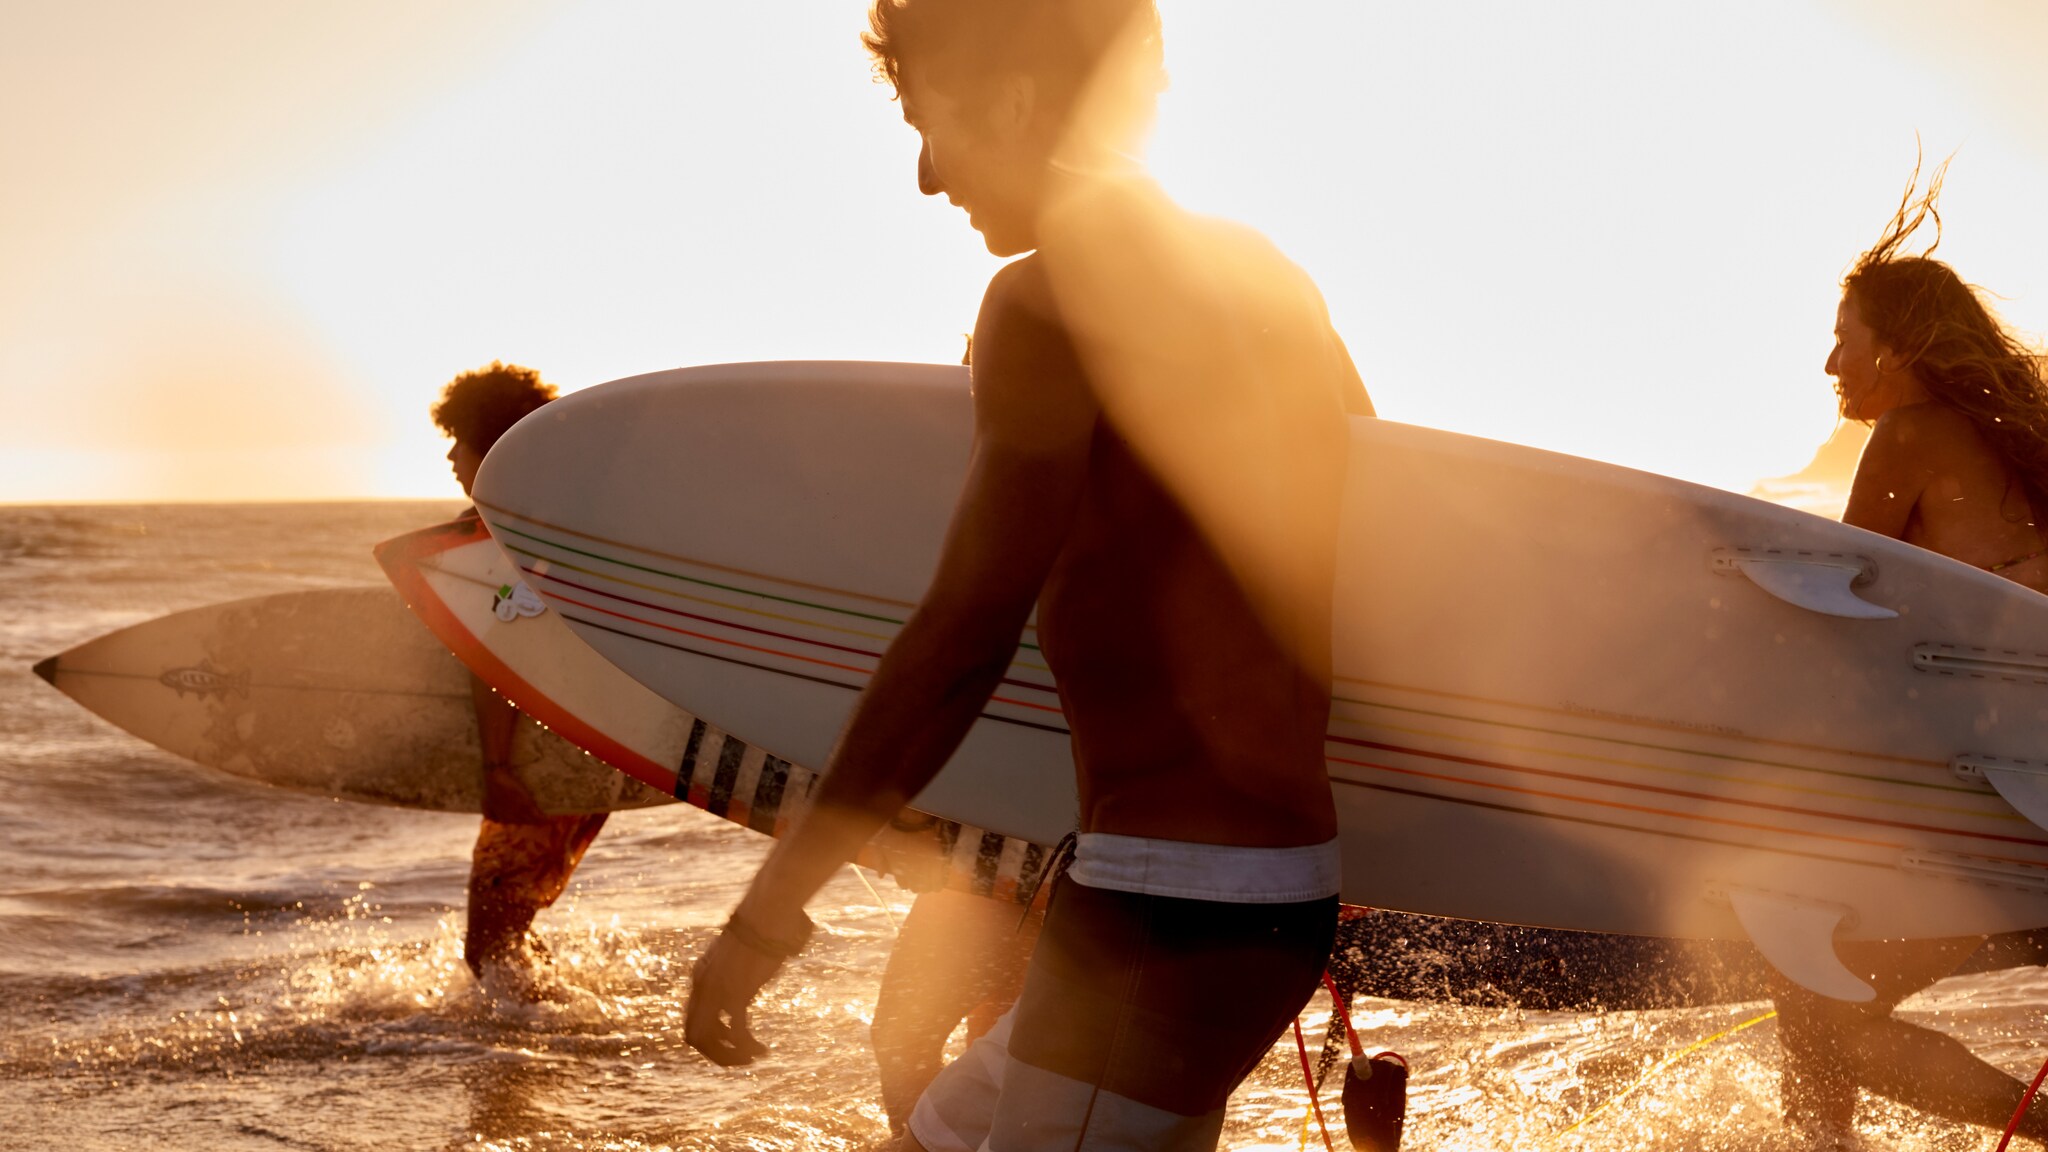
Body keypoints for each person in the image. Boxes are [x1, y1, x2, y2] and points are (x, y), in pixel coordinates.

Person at [684, 1, 1374, 1148]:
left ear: (1009, 102)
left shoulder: (1046, 301)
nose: (923, 176)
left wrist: (768, 910)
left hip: (1167, 902)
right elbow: (1364, 546)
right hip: (1248, 892)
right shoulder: (1268, 277)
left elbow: (961, 638)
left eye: (926, 123)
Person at [1778, 160, 2048, 1147]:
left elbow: (1842, 615)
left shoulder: (1907, 435)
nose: (1827, 366)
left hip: (1981, 795)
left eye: (1842, 341)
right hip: (2019, 781)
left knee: (1820, 1000)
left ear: (1893, 349)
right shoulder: (2012, 445)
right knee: (1805, 984)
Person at [431, 360, 610, 997]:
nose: (452, 453)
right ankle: (560, 1029)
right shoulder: (560, 526)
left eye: (462, 439)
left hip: (535, 756)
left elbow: (502, 655)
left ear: (496, 443)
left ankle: (533, 1054)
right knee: (510, 933)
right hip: (586, 748)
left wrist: (498, 771)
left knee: (490, 951)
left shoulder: (503, 536)